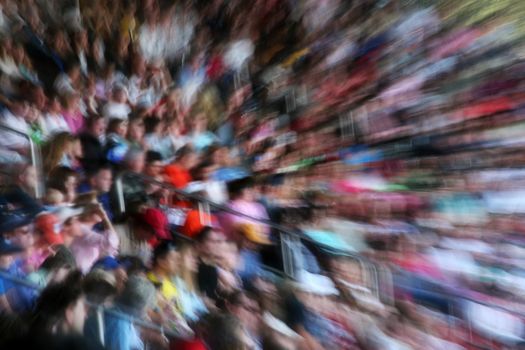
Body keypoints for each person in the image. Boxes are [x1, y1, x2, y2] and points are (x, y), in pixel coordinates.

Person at [70, 204, 119, 273]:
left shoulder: (85, 229)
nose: (102, 212)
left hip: (79, 271)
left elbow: (112, 250)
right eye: (97, 210)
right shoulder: (82, 230)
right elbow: (110, 243)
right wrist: (105, 218)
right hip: (75, 271)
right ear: (86, 212)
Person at [174, 242, 207, 323]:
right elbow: (185, 312)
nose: (195, 261)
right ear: (179, 258)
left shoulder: (189, 284)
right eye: (190, 256)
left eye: (195, 257)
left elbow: (202, 310)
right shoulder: (174, 281)